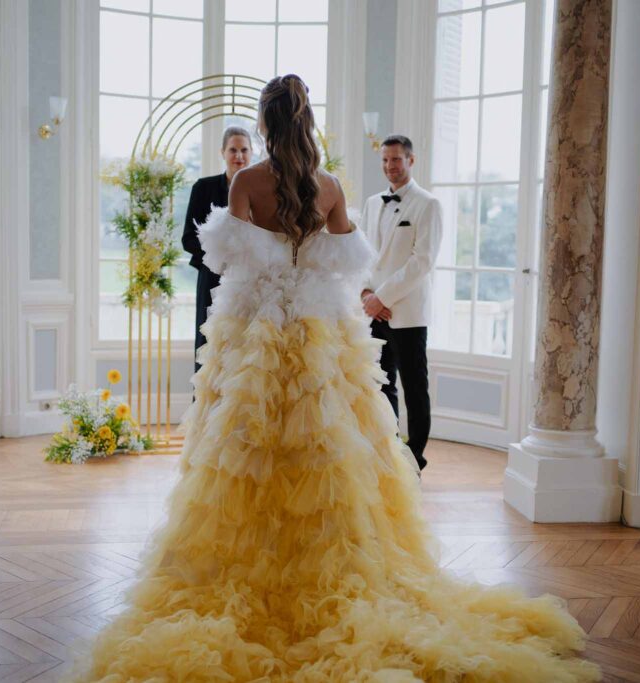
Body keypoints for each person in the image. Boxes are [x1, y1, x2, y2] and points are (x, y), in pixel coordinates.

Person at [78, 75, 598, 682]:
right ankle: (337, 564)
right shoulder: (328, 187)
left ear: (267, 125)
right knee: (329, 447)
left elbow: (226, 261)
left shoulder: (245, 182)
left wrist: (271, 263)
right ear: (306, 121)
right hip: (319, 335)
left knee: (243, 450)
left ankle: (250, 566)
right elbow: (350, 259)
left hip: (255, 334)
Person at [359, 136, 442, 471]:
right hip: (373, 312)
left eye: (396, 160)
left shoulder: (428, 204)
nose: (390, 167)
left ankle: (415, 460)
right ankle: (390, 452)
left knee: (414, 388)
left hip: (407, 313)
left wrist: (383, 297)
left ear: (411, 160)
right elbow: (363, 254)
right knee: (381, 386)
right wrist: (366, 294)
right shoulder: (371, 203)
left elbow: (421, 261)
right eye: (385, 161)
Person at [181, 126, 253, 373]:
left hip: (249, 282)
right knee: (209, 347)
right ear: (222, 152)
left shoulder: (261, 192)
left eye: (244, 150)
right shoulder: (203, 188)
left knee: (244, 349)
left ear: (252, 153)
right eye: (233, 150)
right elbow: (188, 239)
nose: (239, 156)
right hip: (212, 279)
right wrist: (221, 259)